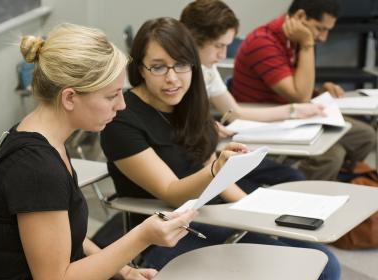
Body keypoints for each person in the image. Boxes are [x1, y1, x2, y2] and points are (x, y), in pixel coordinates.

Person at [100, 17, 340, 280]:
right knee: (313, 270)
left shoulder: (188, 104)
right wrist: (218, 169)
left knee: (324, 261)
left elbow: (208, 166)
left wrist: (254, 209)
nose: (171, 78)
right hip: (170, 232)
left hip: (214, 213)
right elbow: (171, 192)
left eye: (181, 65)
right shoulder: (122, 119)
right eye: (158, 67)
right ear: (141, 69)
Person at [0, 23, 197, 280]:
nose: (121, 105)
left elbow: (64, 234)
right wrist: (142, 236)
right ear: (69, 98)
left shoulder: (41, 137)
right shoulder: (37, 168)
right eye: (112, 96)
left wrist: (125, 270)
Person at [230, 0, 375, 180]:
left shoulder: (292, 40)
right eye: (320, 28)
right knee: (332, 156)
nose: (323, 37)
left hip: (293, 114)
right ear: (300, 16)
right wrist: (307, 44)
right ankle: (302, 191)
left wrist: (317, 92)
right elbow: (299, 96)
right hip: (266, 117)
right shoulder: (264, 42)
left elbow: (298, 89)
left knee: (366, 136)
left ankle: (339, 179)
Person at [180, 0, 318, 189]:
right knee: (265, 190)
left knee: (294, 177)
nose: (222, 55)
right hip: (195, 164)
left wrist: (293, 110)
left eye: (226, 46)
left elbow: (235, 112)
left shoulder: (207, 70)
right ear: (193, 40)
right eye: (219, 46)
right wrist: (203, 127)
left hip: (212, 157)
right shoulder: (176, 79)